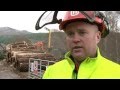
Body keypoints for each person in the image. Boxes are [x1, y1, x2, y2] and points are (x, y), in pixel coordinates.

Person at [42, 11, 120, 79]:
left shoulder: (116, 73)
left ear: (98, 37)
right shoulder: (51, 72)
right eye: (70, 34)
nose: (75, 39)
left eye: (82, 33)